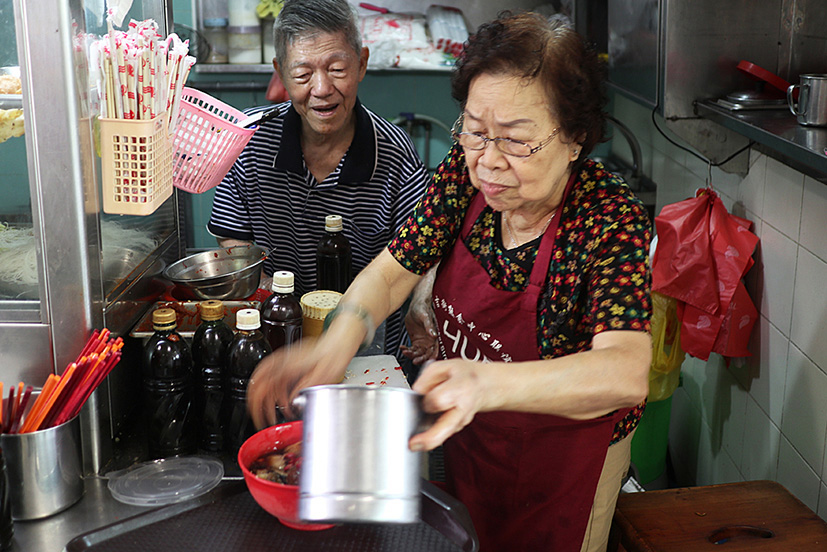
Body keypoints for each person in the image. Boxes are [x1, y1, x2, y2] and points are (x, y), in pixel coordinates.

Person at [248, 12, 651, 552]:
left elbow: (624, 372)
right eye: (475, 133)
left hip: (565, 469)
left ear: (575, 138)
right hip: (473, 443)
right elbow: (392, 272)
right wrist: (335, 345)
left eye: (514, 141)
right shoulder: (463, 180)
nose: (488, 163)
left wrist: (486, 384)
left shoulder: (608, 217)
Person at [207, 0, 429, 355]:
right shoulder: (249, 141)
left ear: (361, 64)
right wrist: (280, 303)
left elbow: (422, 254)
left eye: (337, 68)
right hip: (279, 338)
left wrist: (422, 301)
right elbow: (233, 241)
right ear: (280, 72)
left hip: (370, 345)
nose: (322, 88)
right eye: (303, 73)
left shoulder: (395, 152)